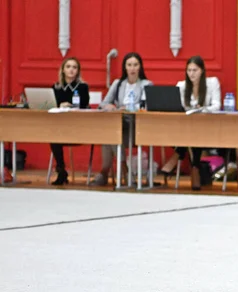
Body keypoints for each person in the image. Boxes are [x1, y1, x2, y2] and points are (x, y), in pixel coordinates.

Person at [159, 55, 222, 190]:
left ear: (202, 71)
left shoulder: (212, 83)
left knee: (194, 132)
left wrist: (202, 109)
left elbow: (217, 106)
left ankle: (177, 156)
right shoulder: (181, 86)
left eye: (195, 70)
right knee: (191, 132)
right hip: (186, 127)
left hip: (208, 126)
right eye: (189, 70)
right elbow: (177, 107)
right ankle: (195, 167)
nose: (192, 74)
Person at [93, 52, 153, 186]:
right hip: (119, 123)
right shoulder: (118, 83)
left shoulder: (146, 84)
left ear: (140, 67)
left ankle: (106, 172)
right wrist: (110, 107)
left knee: (111, 132)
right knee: (110, 130)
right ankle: (123, 168)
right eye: (129, 65)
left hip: (136, 126)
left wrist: (128, 107)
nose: (132, 68)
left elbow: (147, 105)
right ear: (125, 67)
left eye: (135, 65)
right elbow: (103, 104)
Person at [50, 57, 90, 185]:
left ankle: (61, 171)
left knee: (57, 135)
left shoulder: (83, 87)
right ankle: (61, 171)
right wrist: (59, 105)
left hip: (78, 126)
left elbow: (84, 105)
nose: (71, 70)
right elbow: (51, 105)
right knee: (53, 137)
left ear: (78, 71)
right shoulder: (56, 87)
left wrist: (71, 106)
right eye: (68, 67)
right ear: (63, 70)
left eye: (74, 67)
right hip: (60, 126)